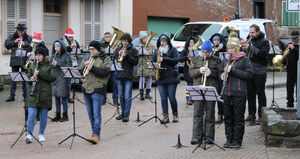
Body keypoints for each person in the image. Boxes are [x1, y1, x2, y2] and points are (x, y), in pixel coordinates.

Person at [220, 32, 252, 149]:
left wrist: (232, 70)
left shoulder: (244, 59)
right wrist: (221, 76)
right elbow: (220, 71)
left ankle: (237, 141)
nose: (230, 51)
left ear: (237, 48)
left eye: (232, 48)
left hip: (239, 93)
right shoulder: (225, 59)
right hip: (227, 93)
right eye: (228, 48)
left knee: (238, 118)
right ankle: (229, 139)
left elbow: (248, 75)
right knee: (228, 118)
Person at [189, 40, 221, 145]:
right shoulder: (195, 59)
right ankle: (196, 136)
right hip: (198, 88)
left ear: (211, 52)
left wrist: (210, 72)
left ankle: (209, 137)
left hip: (211, 89)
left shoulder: (216, 60)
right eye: (203, 52)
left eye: (207, 52)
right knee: (197, 113)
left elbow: (219, 74)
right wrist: (199, 70)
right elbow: (191, 73)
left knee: (210, 114)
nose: (205, 54)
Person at [80, 40, 112, 144]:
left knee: (96, 113)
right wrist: (83, 67)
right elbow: (80, 71)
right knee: (90, 114)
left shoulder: (105, 58)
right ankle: (96, 133)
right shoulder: (86, 57)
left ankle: (95, 135)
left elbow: (106, 72)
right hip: (87, 87)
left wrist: (92, 67)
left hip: (97, 88)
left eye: (93, 49)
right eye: (89, 49)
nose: (91, 51)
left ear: (98, 49)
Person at [25, 44, 56, 143]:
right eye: (36, 54)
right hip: (33, 94)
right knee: (31, 115)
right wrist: (31, 79)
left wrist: (40, 74)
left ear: (44, 56)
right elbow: (28, 79)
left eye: (39, 55)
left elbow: (52, 78)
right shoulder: (32, 65)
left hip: (44, 94)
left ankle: (41, 134)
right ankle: (29, 134)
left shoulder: (49, 66)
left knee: (43, 115)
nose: (37, 56)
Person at [241, 24, 270, 126]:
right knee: (250, 94)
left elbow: (263, 54)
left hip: (259, 72)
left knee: (260, 93)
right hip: (249, 71)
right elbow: (247, 54)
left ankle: (262, 115)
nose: (251, 34)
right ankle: (251, 113)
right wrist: (244, 48)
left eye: (253, 32)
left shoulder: (264, 41)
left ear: (258, 32)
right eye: (250, 32)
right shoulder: (250, 40)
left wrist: (250, 47)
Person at [152, 33, 180, 124]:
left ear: (167, 42)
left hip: (171, 76)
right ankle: (165, 116)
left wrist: (164, 59)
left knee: (171, 98)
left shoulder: (173, 50)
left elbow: (176, 60)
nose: (162, 43)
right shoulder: (157, 51)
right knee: (163, 98)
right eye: (161, 41)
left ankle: (175, 115)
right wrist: (154, 64)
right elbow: (153, 62)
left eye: (164, 41)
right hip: (161, 77)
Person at [114, 33, 138, 122]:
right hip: (119, 75)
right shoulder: (118, 49)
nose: (124, 43)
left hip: (128, 75)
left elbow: (135, 62)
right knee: (121, 96)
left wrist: (127, 55)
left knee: (128, 96)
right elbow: (114, 59)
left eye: (126, 41)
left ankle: (127, 114)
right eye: (123, 41)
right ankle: (123, 113)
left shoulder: (133, 50)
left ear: (129, 41)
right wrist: (117, 55)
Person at [5, 23, 32, 102]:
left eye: (22, 31)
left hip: (25, 60)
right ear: (16, 30)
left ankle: (25, 96)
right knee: (14, 78)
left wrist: (24, 44)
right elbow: (7, 45)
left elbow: (32, 47)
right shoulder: (11, 36)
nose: (20, 32)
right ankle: (12, 95)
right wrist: (15, 42)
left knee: (24, 78)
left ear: (25, 30)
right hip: (15, 59)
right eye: (19, 31)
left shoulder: (28, 37)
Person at [50, 40, 72, 122]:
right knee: (56, 97)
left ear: (62, 47)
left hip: (63, 78)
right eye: (55, 47)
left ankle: (65, 115)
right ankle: (58, 114)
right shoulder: (53, 56)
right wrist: (51, 65)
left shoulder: (67, 55)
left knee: (63, 97)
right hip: (55, 78)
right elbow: (50, 65)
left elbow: (69, 66)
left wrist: (58, 64)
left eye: (58, 47)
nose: (56, 48)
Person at [209, 33, 227, 124]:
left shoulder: (224, 49)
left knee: (220, 95)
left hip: (220, 74)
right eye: (214, 40)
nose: (216, 41)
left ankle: (221, 114)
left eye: (217, 40)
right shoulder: (211, 49)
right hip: (213, 74)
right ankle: (215, 114)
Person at [62, 28, 81, 104]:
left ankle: (69, 96)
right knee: (65, 81)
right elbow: (64, 51)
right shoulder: (62, 42)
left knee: (70, 81)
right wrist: (70, 48)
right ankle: (64, 96)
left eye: (72, 37)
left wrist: (78, 50)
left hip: (73, 62)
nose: (71, 38)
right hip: (65, 62)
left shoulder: (75, 42)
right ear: (66, 36)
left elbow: (79, 50)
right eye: (69, 37)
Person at [100, 32, 120, 106]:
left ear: (111, 37)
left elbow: (117, 55)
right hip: (105, 66)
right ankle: (103, 100)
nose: (108, 38)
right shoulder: (101, 45)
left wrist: (114, 53)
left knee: (115, 84)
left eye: (109, 36)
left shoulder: (116, 45)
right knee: (104, 84)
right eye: (106, 37)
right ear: (104, 38)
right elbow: (100, 55)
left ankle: (115, 100)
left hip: (113, 66)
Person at [136, 31, 156, 100]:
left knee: (149, 79)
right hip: (142, 65)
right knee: (142, 79)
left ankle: (147, 93)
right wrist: (144, 51)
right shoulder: (139, 45)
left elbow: (155, 52)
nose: (145, 39)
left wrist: (151, 52)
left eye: (146, 38)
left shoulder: (152, 45)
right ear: (141, 39)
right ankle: (141, 93)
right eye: (144, 38)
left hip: (149, 64)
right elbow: (137, 53)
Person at [283, 30, 299, 108]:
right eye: (291, 38)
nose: (292, 40)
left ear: (298, 38)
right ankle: (289, 103)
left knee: (298, 88)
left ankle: (298, 104)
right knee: (289, 87)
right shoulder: (289, 45)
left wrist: (294, 49)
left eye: (294, 38)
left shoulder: (297, 47)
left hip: (298, 71)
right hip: (290, 70)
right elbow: (285, 57)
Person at [179, 37, 196, 105]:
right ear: (188, 43)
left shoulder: (197, 50)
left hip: (195, 70)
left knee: (195, 86)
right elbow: (180, 59)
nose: (191, 43)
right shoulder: (185, 51)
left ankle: (194, 98)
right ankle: (188, 99)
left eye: (193, 42)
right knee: (189, 85)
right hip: (187, 70)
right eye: (190, 42)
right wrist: (187, 57)